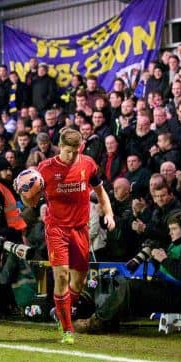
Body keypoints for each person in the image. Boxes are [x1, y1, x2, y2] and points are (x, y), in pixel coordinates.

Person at [24, 128, 115, 344]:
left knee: (79, 281)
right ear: (60, 147)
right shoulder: (44, 169)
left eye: (75, 152)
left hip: (80, 229)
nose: (71, 156)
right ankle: (67, 329)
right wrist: (25, 194)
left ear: (80, 148)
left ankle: (60, 311)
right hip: (56, 229)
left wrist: (109, 213)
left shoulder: (88, 164)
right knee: (62, 275)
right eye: (67, 152)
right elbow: (32, 202)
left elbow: (101, 192)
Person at [73, 212, 181, 334]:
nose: (170, 233)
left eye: (174, 229)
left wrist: (163, 259)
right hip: (169, 289)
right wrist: (156, 260)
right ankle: (105, 320)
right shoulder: (179, 244)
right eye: (170, 229)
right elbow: (169, 270)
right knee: (114, 279)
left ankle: (98, 321)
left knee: (130, 285)